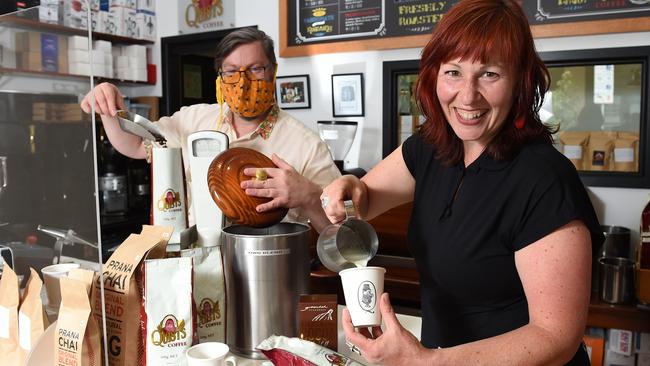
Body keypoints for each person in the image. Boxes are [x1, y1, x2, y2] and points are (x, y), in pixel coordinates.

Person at [321, 1, 603, 365]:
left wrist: (424, 361)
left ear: (520, 80)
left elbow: (555, 336)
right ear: (434, 74)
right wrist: (348, 184)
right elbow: (367, 197)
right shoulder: (432, 146)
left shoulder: (544, 179)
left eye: (489, 74)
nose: (468, 96)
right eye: (453, 72)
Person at [80, 27, 340, 232]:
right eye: (231, 72)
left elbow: (340, 231)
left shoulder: (306, 144)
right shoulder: (193, 120)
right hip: (198, 264)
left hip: (271, 268)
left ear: (273, 71)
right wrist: (109, 107)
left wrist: (308, 195)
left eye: (255, 69)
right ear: (220, 79)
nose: (243, 82)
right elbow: (135, 145)